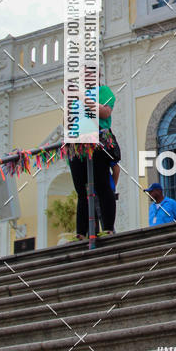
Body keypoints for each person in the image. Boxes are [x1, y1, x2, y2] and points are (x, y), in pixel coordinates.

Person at [67, 82, 117, 239]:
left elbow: (104, 113)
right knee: (82, 191)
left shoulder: (103, 91)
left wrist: (82, 97)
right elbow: (67, 123)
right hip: (77, 145)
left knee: (102, 186)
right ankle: (81, 233)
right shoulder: (75, 97)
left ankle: (108, 228)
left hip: (97, 141)